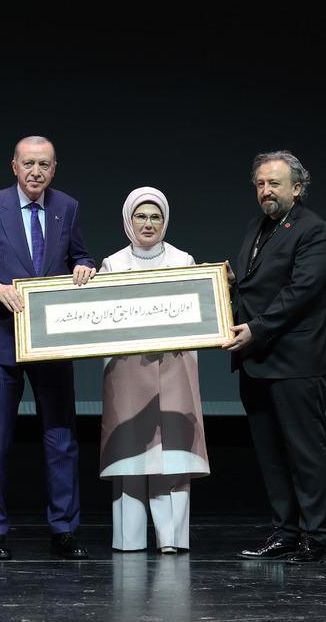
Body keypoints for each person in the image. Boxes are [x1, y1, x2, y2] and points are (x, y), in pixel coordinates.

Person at [0, 136, 96, 560]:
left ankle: (64, 530)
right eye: (29, 163)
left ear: (54, 169)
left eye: (44, 165)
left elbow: (81, 255)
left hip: (52, 340)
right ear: (14, 166)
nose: (36, 172)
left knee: (61, 438)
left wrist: (85, 266)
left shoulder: (67, 207)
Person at [225, 151, 326, 563]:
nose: (265, 191)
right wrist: (230, 282)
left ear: (297, 188)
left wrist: (256, 329)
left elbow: (301, 291)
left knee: (305, 453)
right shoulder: (257, 226)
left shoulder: (315, 230)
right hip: (257, 362)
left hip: (296, 362)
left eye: (274, 183)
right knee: (271, 456)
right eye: (260, 184)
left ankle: (315, 537)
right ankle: (285, 533)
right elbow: (259, 285)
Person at [98, 187, 210, 553]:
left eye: (156, 217)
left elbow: (198, 311)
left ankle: (171, 539)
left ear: (165, 221)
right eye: (141, 216)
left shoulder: (183, 260)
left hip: (174, 367)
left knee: (173, 454)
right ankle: (128, 540)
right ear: (128, 221)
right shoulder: (112, 264)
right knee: (130, 454)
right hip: (127, 371)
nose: (148, 223)